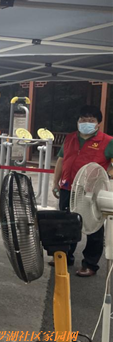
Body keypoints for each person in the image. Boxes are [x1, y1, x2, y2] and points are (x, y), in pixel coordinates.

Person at [53, 105, 113, 277]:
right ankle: (65, 256)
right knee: (66, 223)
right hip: (68, 188)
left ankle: (90, 263)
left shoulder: (107, 141)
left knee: (93, 227)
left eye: (91, 120)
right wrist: (56, 182)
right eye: (83, 119)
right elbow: (61, 159)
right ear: (78, 121)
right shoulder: (70, 138)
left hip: (91, 192)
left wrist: (108, 174)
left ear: (98, 123)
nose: (86, 122)